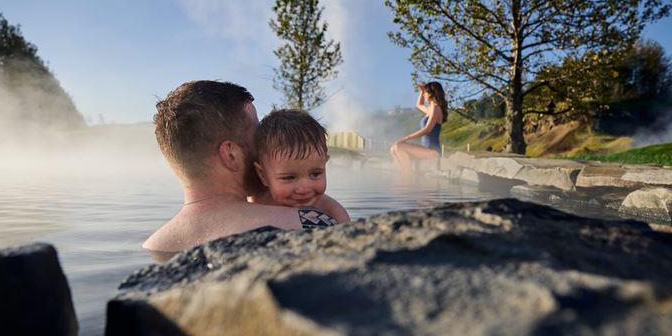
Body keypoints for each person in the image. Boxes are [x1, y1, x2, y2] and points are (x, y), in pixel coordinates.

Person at [143, 80, 342, 255]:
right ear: (230, 154)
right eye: (258, 136)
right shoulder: (312, 223)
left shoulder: (154, 246)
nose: (266, 148)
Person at [250, 109, 350, 223]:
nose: (304, 189)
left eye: (315, 174)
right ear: (263, 176)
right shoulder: (259, 202)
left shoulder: (331, 210)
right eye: (289, 177)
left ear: (325, 163)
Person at [390, 81, 448, 174]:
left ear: (431, 93)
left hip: (432, 151)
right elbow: (419, 105)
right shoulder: (430, 109)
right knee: (393, 149)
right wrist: (421, 91)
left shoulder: (436, 108)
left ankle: (407, 176)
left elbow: (427, 130)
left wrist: (405, 139)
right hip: (424, 149)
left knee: (398, 146)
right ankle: (403, 177)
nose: (424, 95)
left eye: (425, 92)